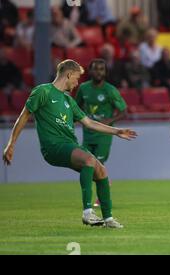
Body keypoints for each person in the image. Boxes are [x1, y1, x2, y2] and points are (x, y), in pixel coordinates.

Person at [2, 59, 137, 228]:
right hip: (53, 147)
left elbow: (89, 123)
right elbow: (24, 115)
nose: (77, 82)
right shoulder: (43, 91)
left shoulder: (68, 100)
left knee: (101, 171)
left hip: (70, 144)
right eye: (76, 78)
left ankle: (108, 219)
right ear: (68, 74)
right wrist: (11, 144)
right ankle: (88, 213)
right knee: (88, 159)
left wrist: (117, 131)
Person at [76, 59, 127, 207]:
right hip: (88, 133)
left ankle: (99, 198)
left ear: (105, 72)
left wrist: (109, 121)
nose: (98, 72)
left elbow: (124, 111)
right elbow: (76, 107)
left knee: (97, 164)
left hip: (103, 135)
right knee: (85, 165)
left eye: (101, 69)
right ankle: (106, 183)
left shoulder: (110, 90)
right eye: (95, 69)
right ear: (90, 71)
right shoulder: (83, 89)